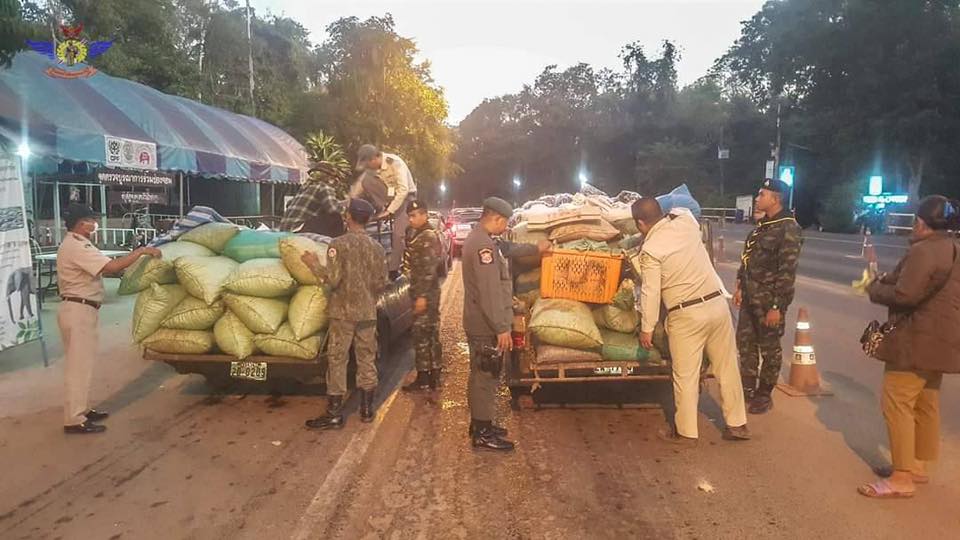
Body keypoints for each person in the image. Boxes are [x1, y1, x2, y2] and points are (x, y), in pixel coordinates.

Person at [859, 195, 960, 499]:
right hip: (943, 340)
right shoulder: (954, 248)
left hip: (917, 339)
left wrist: (873, 288)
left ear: (922, 223)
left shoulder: (924, 251)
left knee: (897, 400)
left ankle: (902, 478)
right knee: (926, 401)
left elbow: (906, 295)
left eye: (915, 222)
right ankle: (916, 466)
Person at [633, 197, 750, 444]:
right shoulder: (685, 222)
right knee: (727, 367)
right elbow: (684, 207)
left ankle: (686, 432)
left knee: (685, 375)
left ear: (640, 224)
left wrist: (647, 328)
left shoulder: (651, 250)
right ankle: (737, 424)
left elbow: (651, 291)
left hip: (686, 315)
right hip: (717, 305)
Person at [58, 203, 161, 434]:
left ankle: (81, 409)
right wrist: (141, 252)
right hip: (78, 310)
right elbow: (112, 267)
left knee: (82, 365)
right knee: (78, 366)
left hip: (81, 309)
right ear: (81, 223)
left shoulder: (80, 243)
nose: (95, 224)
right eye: (91, 219)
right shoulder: (76, 247)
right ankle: (74, 419)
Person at [462, 197, 546, 451]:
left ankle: (481, 423)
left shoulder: (487, 240)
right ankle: (483, 432)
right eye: (505, 222)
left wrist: (535, 248)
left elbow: (508, 249)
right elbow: (488, 292)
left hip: (484, 320)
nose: (506, 227)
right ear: (496, 219)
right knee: (485, 375)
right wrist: (501, 328)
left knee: (484, 373)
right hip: (484, 323)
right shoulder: (482, 247)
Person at [301, 199, 388, 429]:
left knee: (338, 360)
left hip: (343, 313)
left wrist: (313, 264)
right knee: (367, 359)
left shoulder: (337, 245)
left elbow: (333, 279)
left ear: (348, 216)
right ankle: (367, 410)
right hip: (367, 312)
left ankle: (334, 413)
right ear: (367, 219)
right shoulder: (377, 248)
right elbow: (382, 282)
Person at [734, 179, 803, 414]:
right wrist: (740, 286)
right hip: (750, 297)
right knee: (745, 345)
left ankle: (764, 393)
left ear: (775, 199)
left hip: (768, 302)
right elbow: (749, 259)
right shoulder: (763, 226)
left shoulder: (788, 228)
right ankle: (747, 389)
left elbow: (786, 272)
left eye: (762, 194)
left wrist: (776, 306)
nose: (757, 198)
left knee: (770, 349)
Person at [352, 144, 418, 274]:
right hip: (390, 198)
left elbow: (403, 190)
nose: (368, 168)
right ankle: (381, 207)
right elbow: (358, 187)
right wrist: (350, 203)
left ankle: (393, 270)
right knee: (366, 180)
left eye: (367, 164)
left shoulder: (395, 163)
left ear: (373, 159)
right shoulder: (372, 170)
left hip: (405, 198)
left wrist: (390, 211)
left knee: (398, 235)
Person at [401, 200, 443, 392]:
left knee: (421, 335)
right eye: (409, 216)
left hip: (425, 294)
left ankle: (424, 378)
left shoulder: (427, 236)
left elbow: (429, 269)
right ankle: (433, 376)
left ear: (424, 215)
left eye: (414, 215)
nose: (411, 219)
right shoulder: (421, 234)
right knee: (430, 334)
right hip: (427, 292)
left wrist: (422, 297)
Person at [279, 163, 346, 237]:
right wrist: (348, 211)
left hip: (284, 231)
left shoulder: (304, 189)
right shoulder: (324, 187)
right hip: (299, 231)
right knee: (335, 217)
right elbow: (334, 209)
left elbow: (289, 204)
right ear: (330, 177)